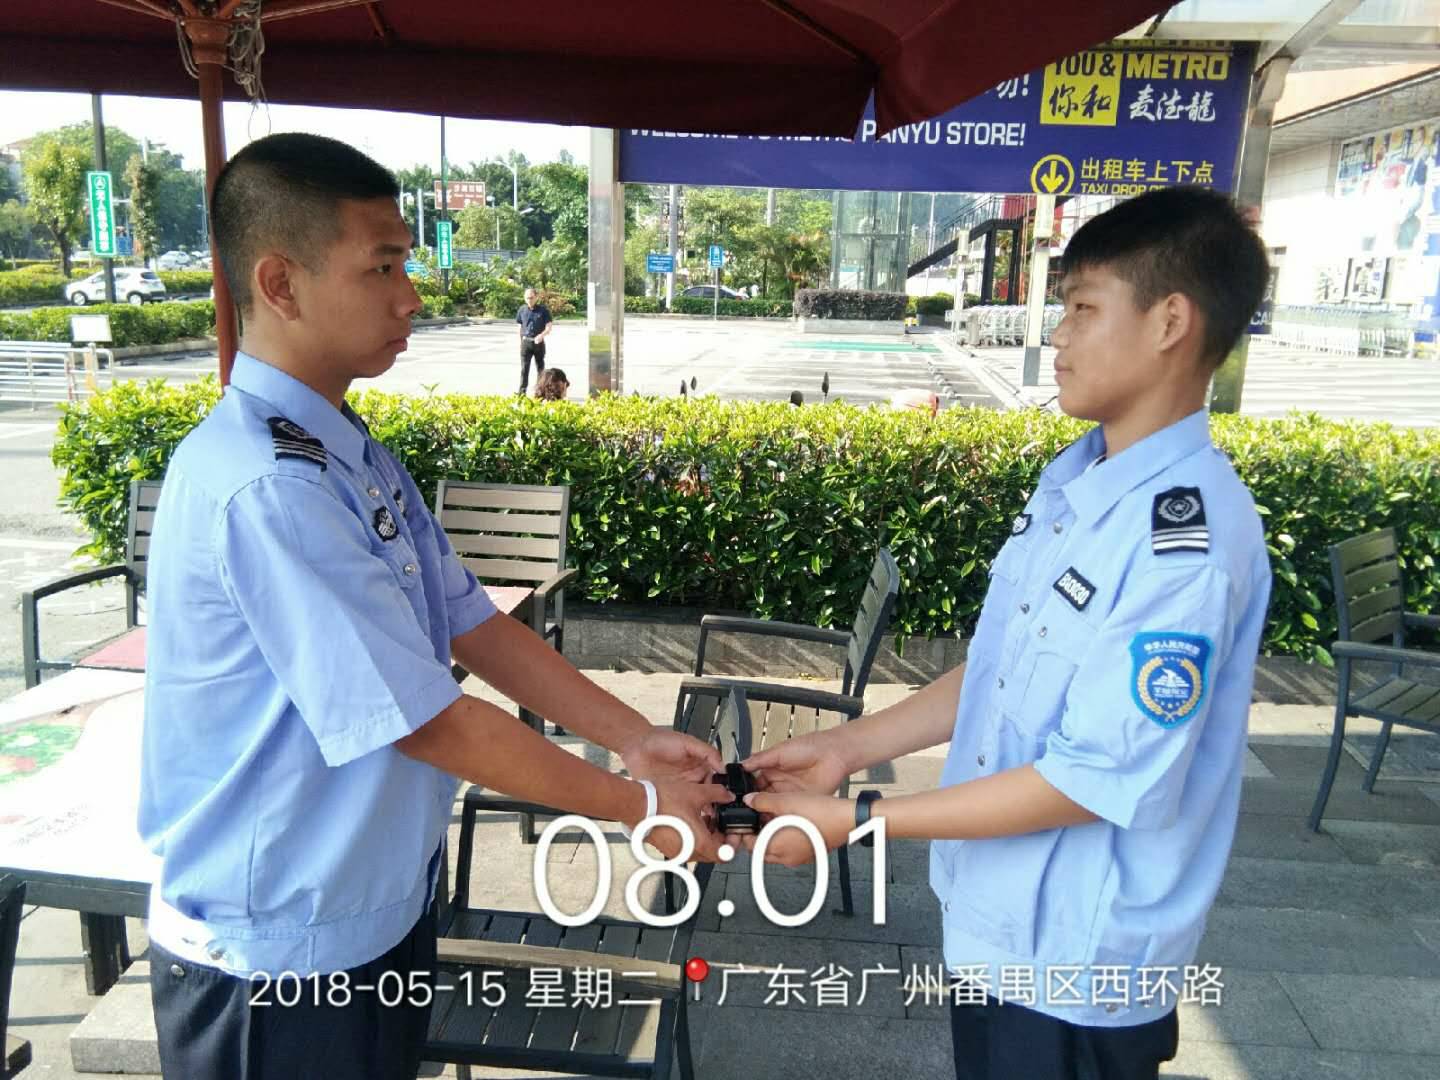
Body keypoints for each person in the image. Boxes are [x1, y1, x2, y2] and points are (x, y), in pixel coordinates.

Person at [139, 133, 728, 1080]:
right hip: (278, 954)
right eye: (382, 267)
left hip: (373, 912)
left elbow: (472, 621)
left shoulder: (347, 452)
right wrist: (637, 806)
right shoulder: (269, 485)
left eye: (406, 264)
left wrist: (633, 739)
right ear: (280, 284)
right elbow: (428, 722)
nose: (411, 296)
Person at [738, 186, 1272, 1080]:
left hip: (1073, 963)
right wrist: (844, 749)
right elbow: (1000, 668)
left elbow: (1089, 781)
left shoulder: (1185, 548)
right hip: (998, 926)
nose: (1057, 337)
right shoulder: (1079, 484)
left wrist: (858, 819)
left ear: (1170, 322)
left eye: (1083, 309)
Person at [516, 286, 553, 394]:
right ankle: (522, 392)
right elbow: (519, 327)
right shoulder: (522, 310)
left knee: (540, 369)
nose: (529, 300)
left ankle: (540, 392)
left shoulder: (543, 311)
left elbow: (549, 327)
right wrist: (520, 342)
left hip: (538, 343)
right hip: (526, 342)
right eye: (527, 298)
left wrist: (541, 335)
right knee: (524, 369)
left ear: (536, 297)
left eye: (531, 298)